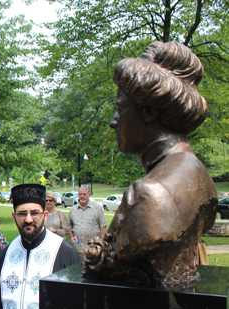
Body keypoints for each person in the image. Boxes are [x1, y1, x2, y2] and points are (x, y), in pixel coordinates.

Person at [83, 41, 218, 283]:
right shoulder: (201, 177)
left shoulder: (151, 194)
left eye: (119, 108)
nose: (113, 122)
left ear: (147, 111)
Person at [68, 186, 107, 255]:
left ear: (89, 194)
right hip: (78, 248)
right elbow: (69, 225)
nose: (82, 196)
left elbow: (103, 225)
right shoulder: (73, 210)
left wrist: (101, 242)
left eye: (84, 194)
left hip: (93, 248)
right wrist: (71, 237)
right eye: (80, 194)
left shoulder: (97, 208)